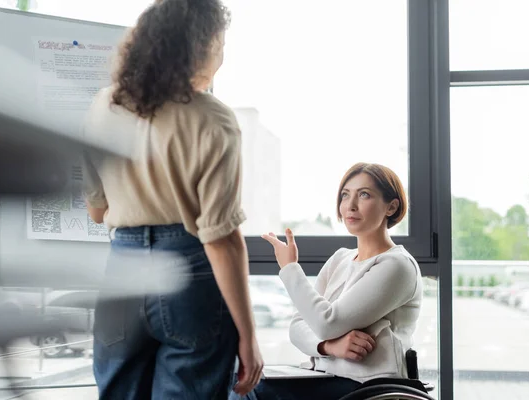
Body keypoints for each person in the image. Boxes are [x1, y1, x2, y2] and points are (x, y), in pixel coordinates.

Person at [81, 1, 263, 399]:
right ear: (201, 46)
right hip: (189, 270)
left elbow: (97, 211)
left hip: (121, 269)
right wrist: (248, 336)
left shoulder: (104, 105)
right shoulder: (213, 118)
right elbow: (220, 238)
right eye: (220, 43)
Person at [231, 162, 423, 400]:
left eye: (364, 194)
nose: (350, 206)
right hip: (325, 374)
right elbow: (298, 325)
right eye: (345, 195)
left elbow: (326, 323)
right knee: (236, 380)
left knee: (248, 391)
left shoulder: (397, 266)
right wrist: (329, 347)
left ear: (391, 207)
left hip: (368, 386)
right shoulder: (340, 259)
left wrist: (290, 268)